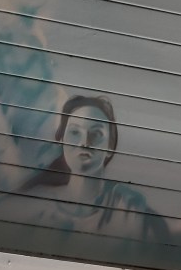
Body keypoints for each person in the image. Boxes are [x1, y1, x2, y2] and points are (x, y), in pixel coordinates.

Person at [22, 94, 168, 242]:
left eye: (96, 133)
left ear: (110, 146)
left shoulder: (130, 212)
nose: (85, 142)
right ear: (62, 140)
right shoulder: (34, 206)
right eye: (75, 132)